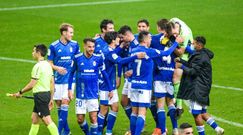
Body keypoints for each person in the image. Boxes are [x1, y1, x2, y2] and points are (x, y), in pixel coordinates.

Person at [129, 31, 178, 135]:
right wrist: (176, 43)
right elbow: (167, 53)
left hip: (133, 85)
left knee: (134, 112)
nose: (151, 40)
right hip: (144, 86)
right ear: (146, 40)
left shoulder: (133, 51)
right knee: (142, 113)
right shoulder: (149, 51)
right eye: (150, 39)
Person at [97, 31, 145, 135]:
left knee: (115, 107)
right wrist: (135, 56)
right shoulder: (109, 52)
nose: (120, 40)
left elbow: (114, 55)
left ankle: (108, 132)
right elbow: (120, 61)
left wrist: (121, 46)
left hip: (109, 83)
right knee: (104, 110)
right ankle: (98, 132)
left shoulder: (108, 49)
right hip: (106, 85)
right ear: (113, 40)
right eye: (118, 38)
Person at [176, 36, 224, 135]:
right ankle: (217, 129)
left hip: (197, 88)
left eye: (194, 43)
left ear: (199, 44)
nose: (192, 45)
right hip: (204, 87)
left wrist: (181, 66)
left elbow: (193, 71)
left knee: (196, 113)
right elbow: (192, 65)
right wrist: (181, 60)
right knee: (203, 112)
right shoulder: (203, 54)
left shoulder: (200, 57)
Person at [68, 38, 112, 135]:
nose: (91, 49)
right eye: (89, 47)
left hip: (93, 93)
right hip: (81, 94)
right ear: (84, 46)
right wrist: (69, 89)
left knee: (93, 117)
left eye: (93, 47)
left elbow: (104, 74)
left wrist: (110, 89)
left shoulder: (98, 58)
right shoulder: (77, 58)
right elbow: (71, 74)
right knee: (80, 119)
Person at [13, 44, 58, 135]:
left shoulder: (38, 66)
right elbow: (52, 83)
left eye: (34, 51)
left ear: (38, 53)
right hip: (46, 95)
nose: (32, 53)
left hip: (40, 96)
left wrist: (20, 92)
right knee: (34, 118)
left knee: (47, 120)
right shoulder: (48, 65)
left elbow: (32, 84)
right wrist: (51, 98)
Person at [48, 23, 80, 135]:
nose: (72, 35)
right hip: (57, 80)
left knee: (65, 102)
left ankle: (59, 132)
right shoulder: (54, 46)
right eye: (70, 32)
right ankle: (67, 131)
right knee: (59, 105)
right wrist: (57, 68)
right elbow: (49, 63)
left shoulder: (75, 45)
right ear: (64, 33)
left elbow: (78, 60)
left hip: (70, 80)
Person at [170, 17, 194, 118]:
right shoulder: (171, 24)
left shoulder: (185, 34)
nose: (174, 35)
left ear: (179, 31)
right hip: (180, 46)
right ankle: (176, 100)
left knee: (176, 74)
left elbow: (181, 52)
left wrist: (172, 43)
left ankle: (178, 106)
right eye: (173, 34)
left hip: (186, 52)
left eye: (176, 34)